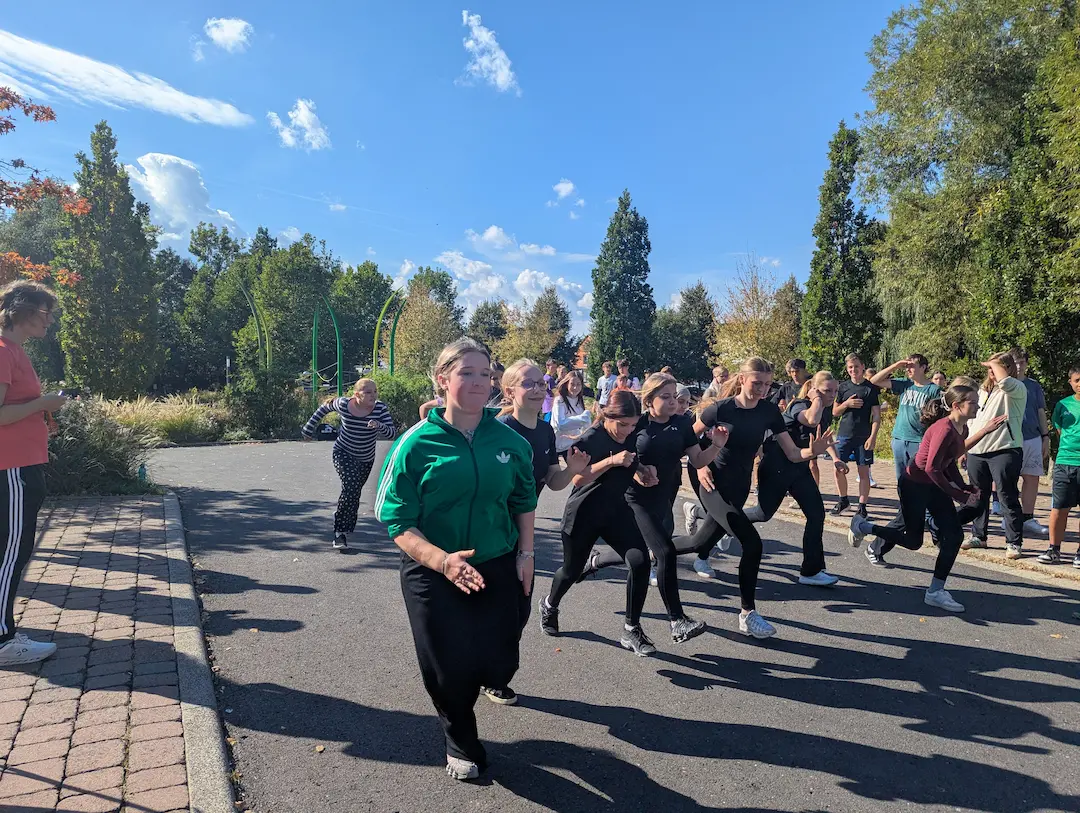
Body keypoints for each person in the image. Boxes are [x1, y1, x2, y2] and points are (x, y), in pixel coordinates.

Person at [375, 338, 537, 781]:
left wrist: (527, 553)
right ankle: (461, 740)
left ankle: (487, 677)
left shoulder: (509, 440)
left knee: (501, 655)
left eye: (485, 374)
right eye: (467, 373)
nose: (478, 382)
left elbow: (524, 497)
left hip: (499, 560)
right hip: (432, 568)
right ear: (442, 379)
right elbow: (396, 519)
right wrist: (442, 560)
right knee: (448, 663)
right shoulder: (415, 444)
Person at [674, 357, 831, 639]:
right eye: (757, 383)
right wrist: (701, 468)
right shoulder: (719, 409)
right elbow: (689, 440)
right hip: (712, 482)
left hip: (739, 484)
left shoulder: (769, 411)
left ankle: (651, 552)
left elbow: (794, 453)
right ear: (743, 379)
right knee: (753, 544)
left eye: (767, 384)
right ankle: (748, 614)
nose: (762, 389)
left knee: (698, 542)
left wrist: (813, 451)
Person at [487, 360, 590, 704]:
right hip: (492, 532)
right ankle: (488, 674)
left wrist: (573, 471)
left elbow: (552, 481)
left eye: (540, 384)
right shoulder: (500, 429)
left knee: (520, 609)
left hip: (524, 533)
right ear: (509, 391)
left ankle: (494, 672)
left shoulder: (546, 431)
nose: (536, 389)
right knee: (493, 606)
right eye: (527, 384)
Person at [850, 385, 1007, 612]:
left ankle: (935, 591)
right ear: (956, 405)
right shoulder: (943, 429)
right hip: (914, 485)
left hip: (933, 486)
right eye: (972, 402)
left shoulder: (960, 429)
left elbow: (948, 461)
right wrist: (958, 493)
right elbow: (932, 467)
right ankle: (864, 526)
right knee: (913, 542)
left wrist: (963, 486)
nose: (978, 406)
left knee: (954, 536)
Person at [538, 390, 658, 656]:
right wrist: (612, 460)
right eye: (623, 424)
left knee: (640, 562)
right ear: (607, 415)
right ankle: (549, 604)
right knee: (571, 571)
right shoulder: (590, 439)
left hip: (616, 513)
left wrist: (643, 472)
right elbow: (579, 479)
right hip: (584, 515)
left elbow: (631, 459)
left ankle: (631, 629)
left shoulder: (630, 436)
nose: (628, 430)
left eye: (633, 425)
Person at [714, 371, 848, 586]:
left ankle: (811, 571)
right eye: (827, 391)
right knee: (762, 513)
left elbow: (824, 436)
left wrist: (835, 459)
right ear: (814, 388)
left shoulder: (825, 408)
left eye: (835, 391)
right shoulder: (799, 405)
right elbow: (812, 421)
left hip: (799, 468)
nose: (832, 395)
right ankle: (713, 518)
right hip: (777, 467)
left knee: (816, 515)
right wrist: (815, 398)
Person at [0, 281, 68, 667]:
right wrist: (43, 403)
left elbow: (14, 409)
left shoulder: (14, 351)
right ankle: (2, 641)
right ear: (24, 310)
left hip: (21, 465)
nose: (50, 320)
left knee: (12, 551)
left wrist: (41, 414)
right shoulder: (3, 351)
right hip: (10, 468)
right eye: (46, 312)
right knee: (10, 553)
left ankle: (4, 630)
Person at [302, 379, 396, 551]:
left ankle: (343, 517)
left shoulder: (380, 408)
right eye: (368, 392)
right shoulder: (345, 405)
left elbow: (392, 433)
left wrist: (379, 425)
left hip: (366, 458)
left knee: (353, 492)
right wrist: (309, 428)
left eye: (375, 391)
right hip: (343, 452)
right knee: (350, 488)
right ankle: (340, 532)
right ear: (357, 394)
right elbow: (325, 407)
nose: (373, 395)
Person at [962, 352, 1028, 559]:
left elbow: (1005, 382)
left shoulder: (1016, 388)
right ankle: (978, 536)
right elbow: (971, 421)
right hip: (977, 451)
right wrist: (964, 448)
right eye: (989, 368)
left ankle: (1014, 542)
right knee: (978, 495)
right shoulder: (981, 391)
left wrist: (996, 365)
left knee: (1007, 495)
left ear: (1007, 368)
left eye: (995, 367)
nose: (991, 372)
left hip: (1005, 449)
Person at [871, 355, 942, 480]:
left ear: (923, 367)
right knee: (901, 479)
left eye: (911, 366)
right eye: (906, 367)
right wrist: (895, 366)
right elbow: (874, 381)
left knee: (918, 478)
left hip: (919, 440)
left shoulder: (933, 389)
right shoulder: (905, 384)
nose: (907, 370)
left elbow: (937, 418)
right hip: (899, 438)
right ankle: (903, 500)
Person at [1038, 363, 1080, 567]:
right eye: (1077, 380)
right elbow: (1059, 430)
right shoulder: (1063, 405)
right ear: (1071, 382)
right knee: (1059, 508)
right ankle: (1053, 549)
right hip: (1065, 463)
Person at [830, 353, 881, 518]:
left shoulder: (870, 388)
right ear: (847, 369)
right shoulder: (843, 387)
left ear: (863, 367)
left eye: (856, 367)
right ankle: (843, 500)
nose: (853, 370)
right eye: (850, 367)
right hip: (844, 434)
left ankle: (862, 506)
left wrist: (873, 437)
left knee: (863, 472)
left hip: (863, 436)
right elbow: (835, 412)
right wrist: (846, 404)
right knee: (838, 468)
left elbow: (876, 416)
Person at [1010, 348, 1050, 538]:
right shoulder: (1004, 384)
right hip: (1008, 439)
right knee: (1008, 480)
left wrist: (1045, 437)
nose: (1019, 365)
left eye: (1022, 362)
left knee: (1032, 478)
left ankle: (1028, 518)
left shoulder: (1034, 386)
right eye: (1015, 362)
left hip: (1032, 437)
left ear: (1026, 363)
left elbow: (1041, 412)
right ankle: (1010, 518)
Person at [550, 371, 592, 455]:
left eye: (578, 384)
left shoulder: (580, 401)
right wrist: (584, 418)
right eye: (572, 384)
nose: (575, 387)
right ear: (567, 384)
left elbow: (585, 427)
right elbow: (561, 425)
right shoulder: (560, 400)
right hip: (558, 444)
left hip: (573, 443)